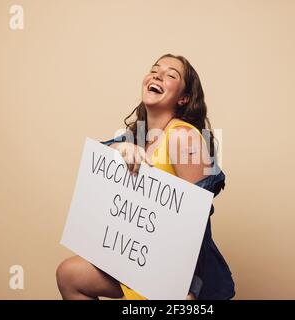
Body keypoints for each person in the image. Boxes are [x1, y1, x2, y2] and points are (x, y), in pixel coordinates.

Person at [56, 53, 235, 300]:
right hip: (138, 259)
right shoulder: (137, 136)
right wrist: (119, 149)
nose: (158, 75)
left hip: (170, 271)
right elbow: (98, 166)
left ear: (183, 98)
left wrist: (189, 287)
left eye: (171, 75)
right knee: (69, 275)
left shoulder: (183, 137)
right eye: (154, 69)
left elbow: (194, 223)